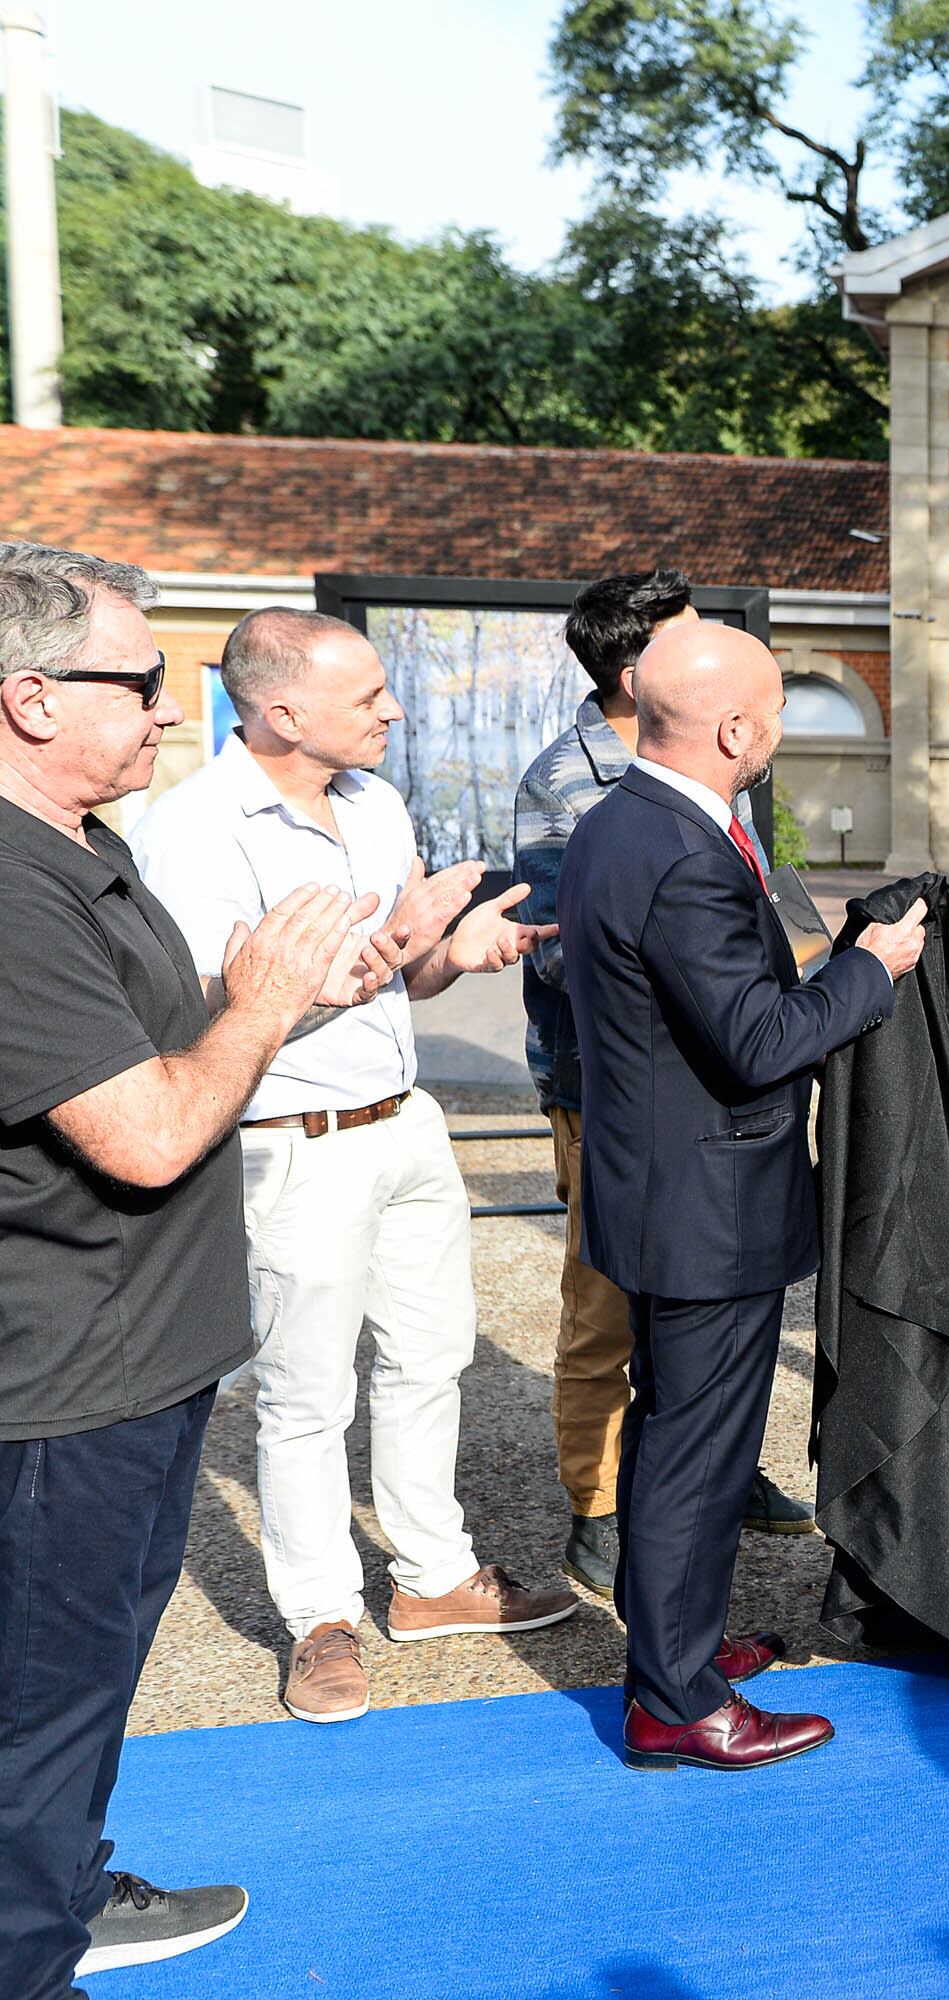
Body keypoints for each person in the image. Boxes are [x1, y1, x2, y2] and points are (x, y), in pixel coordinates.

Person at [0, 544, 383, 1986]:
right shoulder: (11, 886)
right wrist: (263, 1003)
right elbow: (151, 1133)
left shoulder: (84, 846)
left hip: (140, 1369)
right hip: (64, 1396)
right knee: (38, 1716)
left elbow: (152, 1052)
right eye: (145, 681)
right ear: (30, 699)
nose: (174, 710)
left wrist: (268, 999)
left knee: (80, 1702)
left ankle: (66, 1893)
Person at [130, 609, 575, 1729]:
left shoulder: (376, 803)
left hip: (404, 1123)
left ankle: (431, 1579)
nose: (394, 709)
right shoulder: (191, 830)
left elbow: (401, 978)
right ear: (282, 712)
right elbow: (215, 1010)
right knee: (305, 1394)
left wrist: (446, 953)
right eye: (370, 694)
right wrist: (385, 954)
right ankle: (318, 1616)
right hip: (294, 1143)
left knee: (433, 1357)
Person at [558, 618, 926, 1770]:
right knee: (696, 1449)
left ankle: (687, 1647)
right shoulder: (680, 849)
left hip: (665, 1182)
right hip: (705, 1204)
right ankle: (674, 1698)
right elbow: (759, 1039)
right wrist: (875, 970)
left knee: (685, 1434)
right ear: (733, 727)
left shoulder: (626, 817)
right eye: (771, 712)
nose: (773, 732)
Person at [511, 570, 814, 1602]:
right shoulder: (575, 785)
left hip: (691, 1089)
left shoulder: (691, 779)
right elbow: (570, 954)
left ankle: (694, 1501)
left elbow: (758, 907)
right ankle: (603, 1511)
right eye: (686, 641)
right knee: (608, 1308)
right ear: (639, 672)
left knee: (689, 1367)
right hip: (615, 1086)